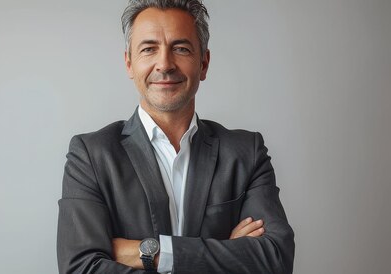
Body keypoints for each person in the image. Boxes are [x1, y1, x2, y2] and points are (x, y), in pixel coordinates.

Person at [56, 0, 295, 273]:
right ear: (129, 64)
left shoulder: (246, 152)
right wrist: (225, 253)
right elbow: (80, 268)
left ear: (203, 63)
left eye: (181, 49)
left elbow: (276, 258)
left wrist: (152, 254)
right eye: (149, 49)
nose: (165, 64)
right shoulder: (90, 155)